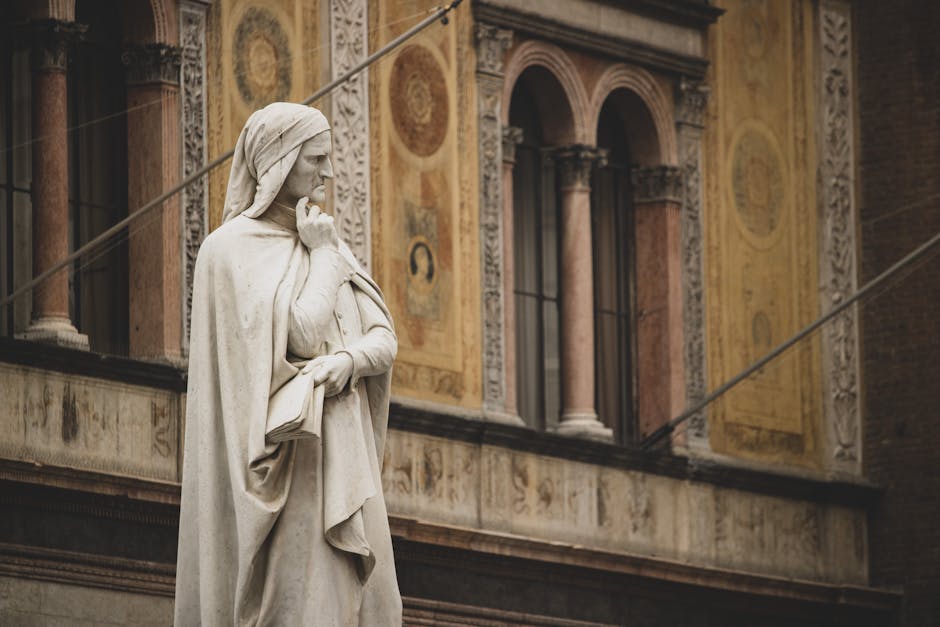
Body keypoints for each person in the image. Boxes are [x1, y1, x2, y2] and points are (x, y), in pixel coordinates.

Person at [174, 102, 402, 626]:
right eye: (315, 159)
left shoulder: (327, 242)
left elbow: (384, 339)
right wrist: (322, 260)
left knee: (356, 607)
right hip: (287, 471)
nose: (326, 172)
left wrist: (344, 362)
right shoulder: (228, 252)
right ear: (278, 162)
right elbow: (300, 333)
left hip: (341, 460)